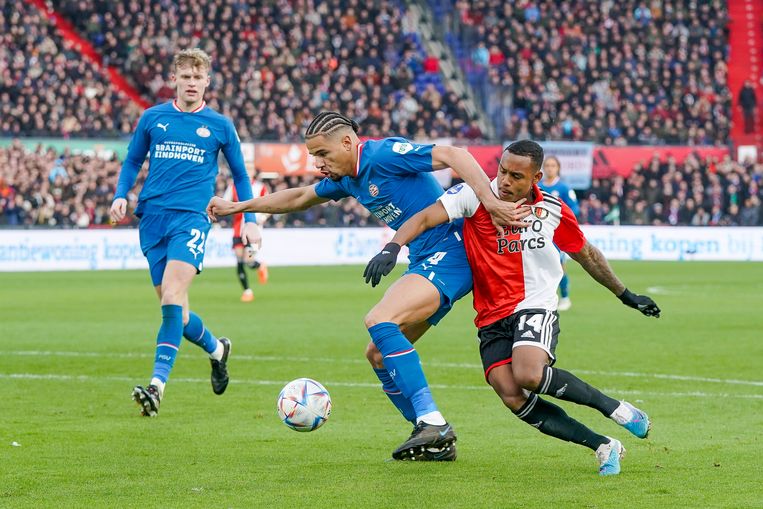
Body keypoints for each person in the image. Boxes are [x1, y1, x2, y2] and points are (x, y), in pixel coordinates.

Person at [207, 110, 529, 461]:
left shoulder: (383, 155)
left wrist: (491, 201)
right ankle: (434, 439)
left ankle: (431, 419)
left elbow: (455, 155)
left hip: (450, 255)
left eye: (323, 154)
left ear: (347, 143)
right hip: (426, 259)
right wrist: (238, 207)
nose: (318, 164)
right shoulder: (348, 178)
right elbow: (299, 198)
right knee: (376, 353)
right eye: (314, 157)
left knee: (380, 319)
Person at [364, 140, 660, 475]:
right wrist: (393, 247)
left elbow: (586, 254)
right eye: (502, 170)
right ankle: (604, 445)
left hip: (534, 304)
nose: (504, 180)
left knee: (529, 373)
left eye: (516, 176)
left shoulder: (552, 209)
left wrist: (625, 294)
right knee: (511, 394)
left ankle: (617, 409)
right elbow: (424, 218)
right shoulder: (473, 195)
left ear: (535, 178)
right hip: (491, 316)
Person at [110, 48, 261, 417]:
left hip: (192, 219)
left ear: (207, 81)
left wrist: (252, 219)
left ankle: (156, 387)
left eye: (198, 77)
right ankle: (218, 350)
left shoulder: (221, 126)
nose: (191, 83)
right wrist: (120, 196)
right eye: (185, 76)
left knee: (172, 296)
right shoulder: (153, 118)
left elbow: (240, 175)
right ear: (173, 79)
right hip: (152, 219)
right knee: (175, 308)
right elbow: (132, 161)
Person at [539, 156, 579, 311]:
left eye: (553, 165)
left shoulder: (564, 188)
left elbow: (574, 208)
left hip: (557, 234)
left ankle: (565, 297)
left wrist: (559, 216)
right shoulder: (538, 187)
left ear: (558, 168)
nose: (549, 168)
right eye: (547, 165)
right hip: (539, 233)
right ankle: (545, 297)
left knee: (559, 265)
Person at [224, 169, 269, 302]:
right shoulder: (233, 186)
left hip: (253, 231)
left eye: (250, 169)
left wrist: (262, 217)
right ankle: (247, 291)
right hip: (238, 230)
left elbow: (269, 205)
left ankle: (259, 265)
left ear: (254, 173)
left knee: (249, 261)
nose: (248, 171)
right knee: (239, 260)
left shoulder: (260, 187)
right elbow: (225, 201)